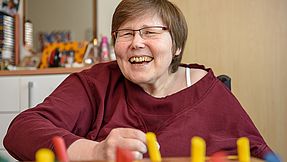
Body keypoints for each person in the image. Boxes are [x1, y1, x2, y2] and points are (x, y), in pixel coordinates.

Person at [4, 0, 272, 161]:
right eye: (126, 33)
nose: (136, 43)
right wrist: (96, 152)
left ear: (177, 45)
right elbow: (20, 131)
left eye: (150, 32)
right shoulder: (95, 83)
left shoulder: (210, 92)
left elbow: (259, 153)